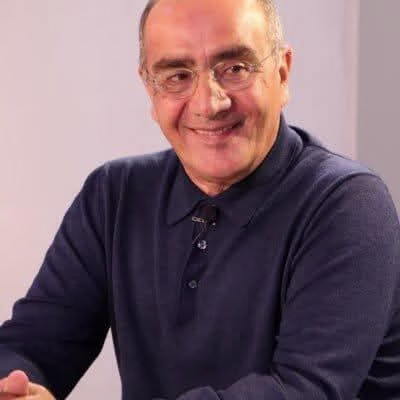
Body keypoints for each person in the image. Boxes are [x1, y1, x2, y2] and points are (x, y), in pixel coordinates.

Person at [1, 0, 399, 398]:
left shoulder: (349, 206)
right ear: (150, 89)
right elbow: (32, 344)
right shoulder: (113, 196)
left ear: (282, 72)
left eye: (235, 68)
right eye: (177, 76)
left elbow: (301, 391)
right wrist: (16, 388)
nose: (209, 104)